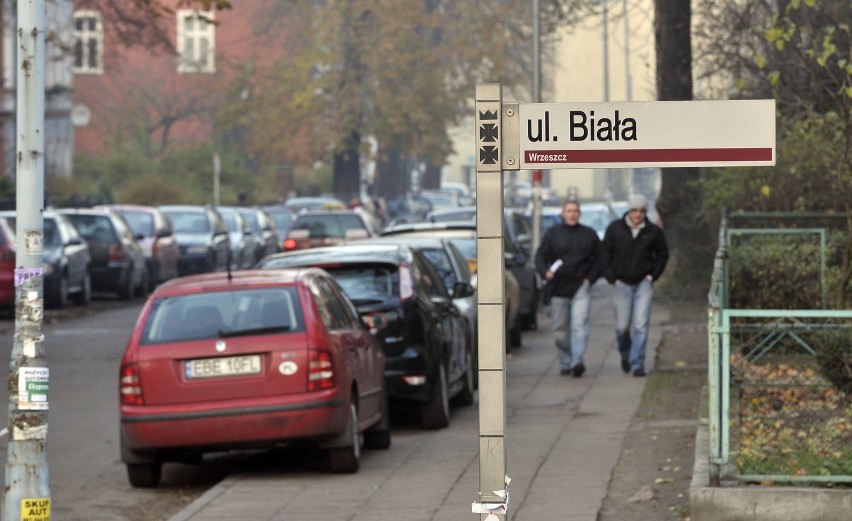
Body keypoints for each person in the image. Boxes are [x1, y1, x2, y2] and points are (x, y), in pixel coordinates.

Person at [601, 193, 669, 377]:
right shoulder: (615, 229)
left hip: (643, 284)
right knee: (622, 326)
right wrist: (611, 278)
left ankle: (638, 363)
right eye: (634, 210)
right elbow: (604, 255)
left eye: (641, 211)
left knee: (641, 324)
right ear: (628, 211)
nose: (638, 215)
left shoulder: (653, 231)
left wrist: (652, 276)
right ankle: (626, 353)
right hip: (621, 284)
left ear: (645, 212)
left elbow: (662, 254)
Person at [534, 200, 601, 377]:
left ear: (579, 214)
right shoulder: (552, 234)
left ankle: (577, 361)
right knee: (560, 329)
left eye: (576, 211)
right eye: (569, 211)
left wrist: (590, 279)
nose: (572, 214)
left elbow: (600, 259)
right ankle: (566, 361)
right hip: (558, 288)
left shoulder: (589, 234)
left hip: (581, 286)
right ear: (563, 213)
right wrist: (544, 272)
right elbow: (540, 256)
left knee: (579, 325)